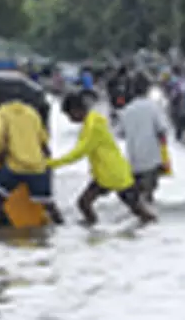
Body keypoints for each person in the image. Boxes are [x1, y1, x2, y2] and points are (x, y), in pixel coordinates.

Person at [49, 92, 157, 225]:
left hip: (116, 176)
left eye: (69, 115)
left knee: (139, 211)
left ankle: (154, 234)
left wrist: (50, 163)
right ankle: (93, 233)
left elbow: (79, 152)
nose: (69, 119)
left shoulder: (94, 125)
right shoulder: (90, 123)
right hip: (104, 176)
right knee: (84, 203)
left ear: (77, 110)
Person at [0, 92, 63, 224]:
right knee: (48, 205)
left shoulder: (1, 113)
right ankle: (63, 228)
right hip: (37, 167)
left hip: (15, 167)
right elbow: (43, 141)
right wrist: (48, 165)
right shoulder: (32, 113)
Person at [118, 77, 169, 203]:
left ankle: (140, 216)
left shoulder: (126, 110)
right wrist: (165, 156)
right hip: (151, 158)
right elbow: (162, 131)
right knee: (149, 193)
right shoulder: (153, 107)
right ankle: (150, 219)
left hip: (133, 159)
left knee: (138, 193)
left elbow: (120, 133)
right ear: (147, 90)